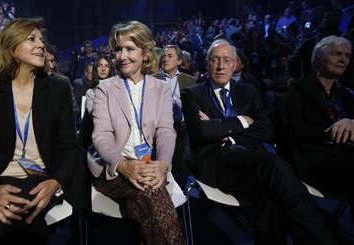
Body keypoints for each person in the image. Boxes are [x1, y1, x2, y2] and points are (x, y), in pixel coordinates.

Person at [181, 39, 338, 245]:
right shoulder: (192, 94)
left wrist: (224, 130)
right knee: (272, 165)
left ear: (235, 63)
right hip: (217, 164)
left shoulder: (248, 91)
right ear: (207, 62)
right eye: (215, 60)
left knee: (270, 195)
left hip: (250, 160)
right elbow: (201, 130)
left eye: (226, 60)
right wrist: (241, 121)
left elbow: (265, 129)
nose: (220, 66)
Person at [0, 18, 87, 245]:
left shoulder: (58, 87)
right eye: (31, 39)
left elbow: (69, 147)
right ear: (10, 47)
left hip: (45, 177)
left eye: (42, 40)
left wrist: (55, 183)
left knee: (16, 214)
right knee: (23, 215)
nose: (41, 45)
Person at [88, 20, 185, 245]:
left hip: (149, 165)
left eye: (130, 49)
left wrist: (163, 164)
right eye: (118, 49)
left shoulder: (160, 88)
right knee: (151, 191)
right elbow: (101, 136)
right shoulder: (105, 88)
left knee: (142, 204)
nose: (122, 56)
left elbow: (166, 132)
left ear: (145, 53)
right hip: (111, 167)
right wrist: (123, 165)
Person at [283, 36, 354, 220]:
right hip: (314, 159)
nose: (343, 59)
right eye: (337, 54)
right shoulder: (299, 88)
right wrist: (333, 129)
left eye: (347, 55)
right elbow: (292, 131)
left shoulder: (346, 94)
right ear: (319, 57)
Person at [153, 45, 196, 185]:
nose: (165, 59)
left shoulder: (190, 81)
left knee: (180, 166)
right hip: (161, 129)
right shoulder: (153, 80)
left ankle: (180, 194)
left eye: (170, 56)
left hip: (183, 129)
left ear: (179, 61)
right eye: (164, 56)